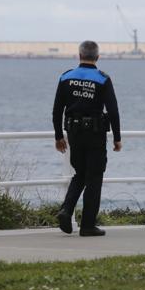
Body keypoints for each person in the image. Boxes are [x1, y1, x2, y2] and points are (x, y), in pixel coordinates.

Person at [52, 40, 122, 237]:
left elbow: (57, 110)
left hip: (73, 134)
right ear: (97, 57)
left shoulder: (66, 77)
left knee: (80, 173)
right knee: (94, 177)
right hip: (95, 134)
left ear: (79, 55)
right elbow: (113, 111)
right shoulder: (102, 79)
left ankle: (66, 210)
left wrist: (58, 136)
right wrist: (117, 137)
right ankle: (88, 225)